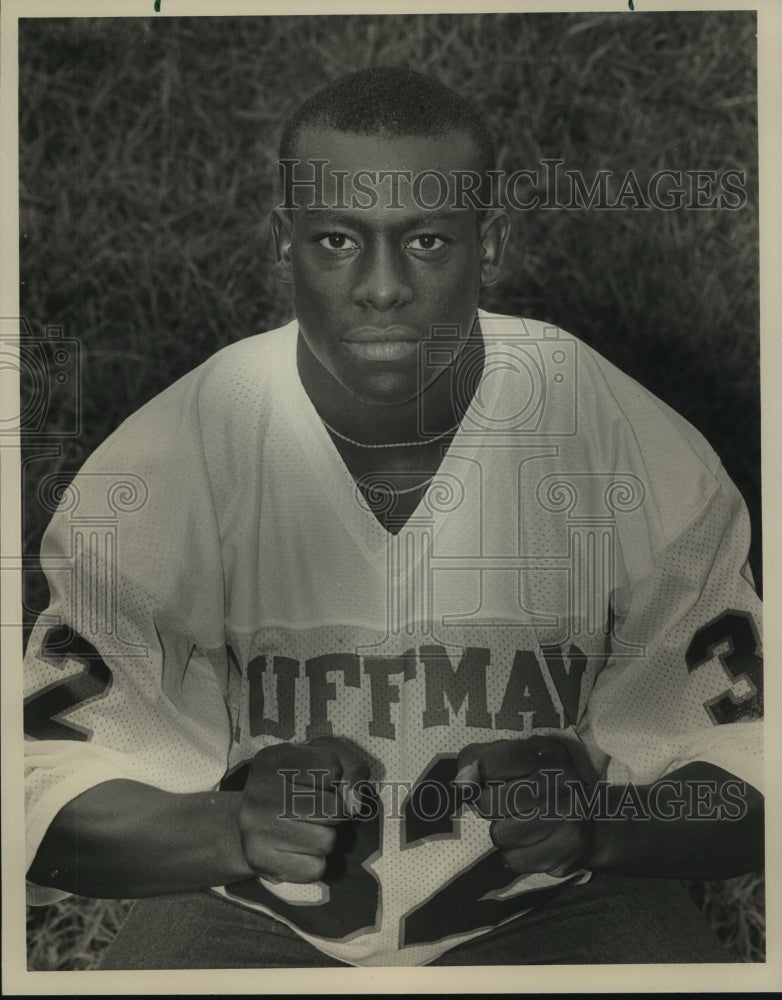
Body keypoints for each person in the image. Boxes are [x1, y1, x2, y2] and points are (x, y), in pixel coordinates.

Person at [24, 67, 763, 968]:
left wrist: (607, 824)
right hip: (257, 911)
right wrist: (226, 828)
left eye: (425, 241)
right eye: (337, 240)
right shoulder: (167, 460)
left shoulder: (627, 444)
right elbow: (42, 795)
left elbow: (754, 780)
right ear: (282, 241)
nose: (381, 287)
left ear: (488, 244)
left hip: (555, 907)